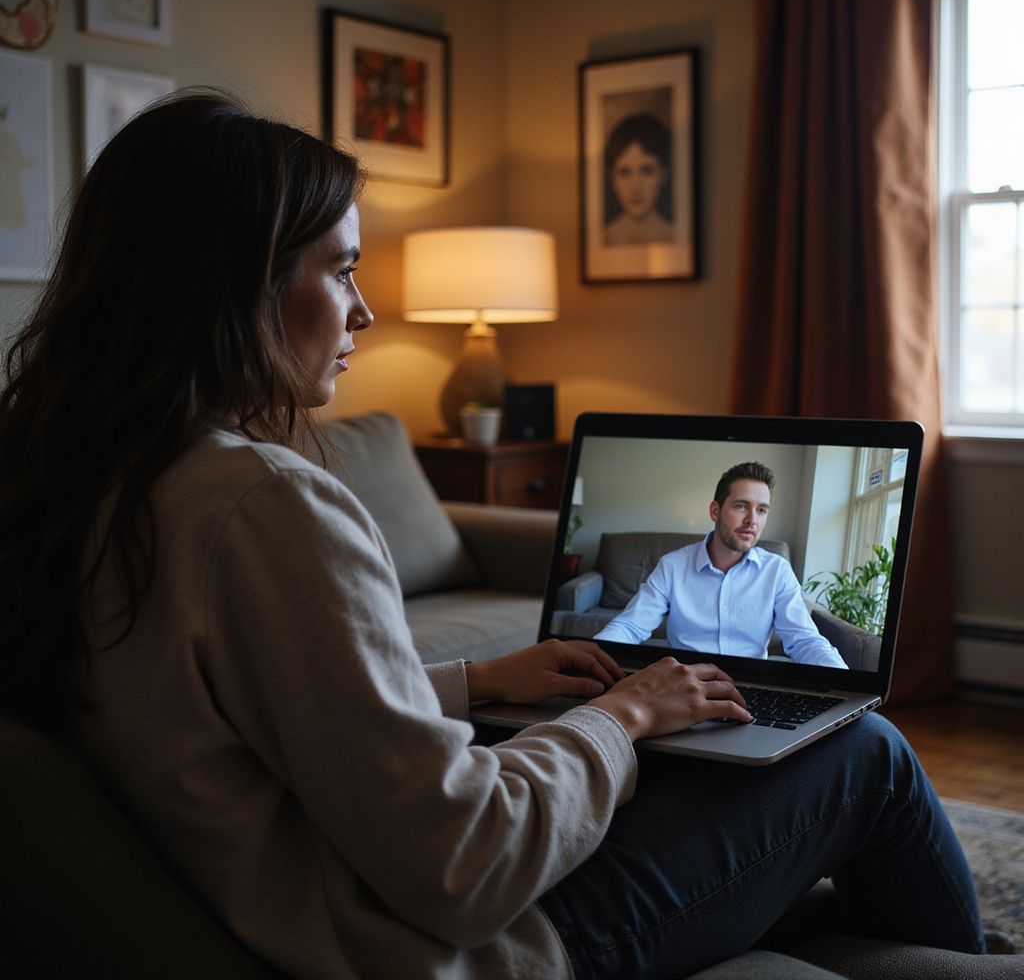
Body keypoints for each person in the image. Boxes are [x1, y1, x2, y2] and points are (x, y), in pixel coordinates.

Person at [0, 91, 984, 979]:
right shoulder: (260, 505)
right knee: (869, 755)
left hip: (329, 903)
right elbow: (463, 863)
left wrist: (476, 684)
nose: (366, 309)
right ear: (239, 286)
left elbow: (250, 726)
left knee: (738, 764)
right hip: (467, 949)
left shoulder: (83, 482)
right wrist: (626, 713)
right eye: (341, 270)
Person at [595, 462, 850, 668]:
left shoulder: (777, 571)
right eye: (741, 506)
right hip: (683, 687)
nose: (752, 520)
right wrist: (590, 658)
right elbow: (629, 626)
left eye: (762, 510)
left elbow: (804, 640)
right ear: (715, 511)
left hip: (752, 688)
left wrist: (843, 681)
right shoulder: (672, 566)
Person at [602, 112, 673, 245]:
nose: (636, 186)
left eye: (646, 171)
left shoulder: (674, 236)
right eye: (624, 173)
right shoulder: (604, 238)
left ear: (663, 175)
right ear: (612, 178)